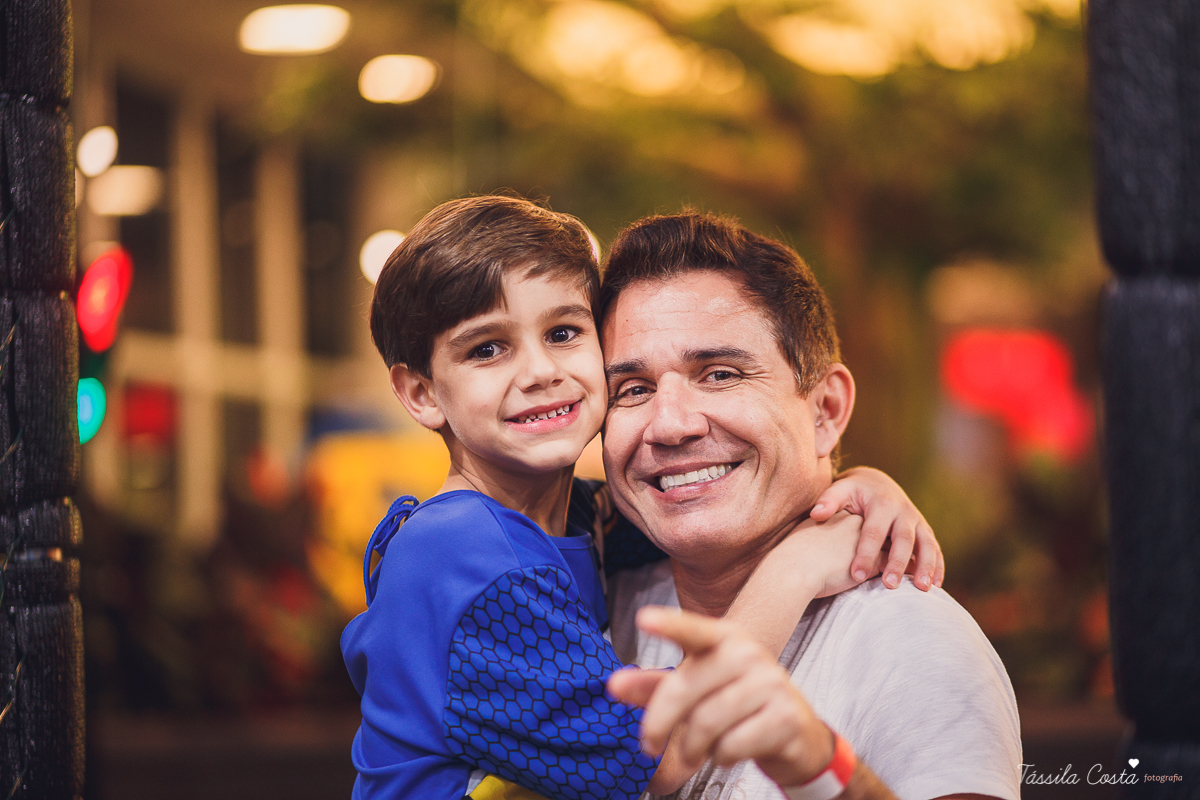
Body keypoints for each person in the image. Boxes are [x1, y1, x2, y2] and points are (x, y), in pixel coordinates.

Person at [340, 196, 943, 800]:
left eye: (563, 332)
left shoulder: (579, 515)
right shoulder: (458, 553)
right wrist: (798, 568)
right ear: (421, 394)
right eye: (486, 349)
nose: (540, 371)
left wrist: (860, 485)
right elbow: (658, 752)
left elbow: (727, 501)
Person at [601, 212, 1022, 800]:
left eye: (720, 374)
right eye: (633, 390)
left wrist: (818, 767)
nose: (669, 424)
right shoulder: (593, 605)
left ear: (824, 411)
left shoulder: (908, 638)